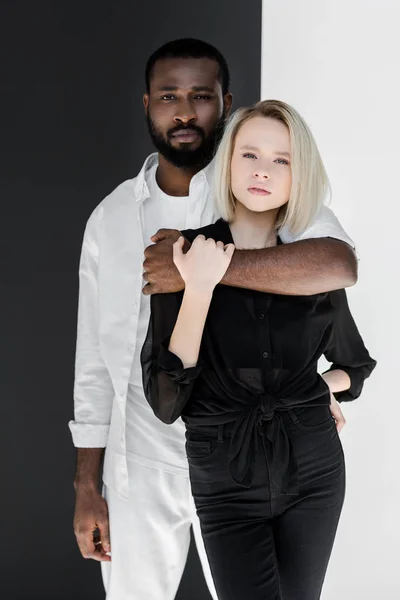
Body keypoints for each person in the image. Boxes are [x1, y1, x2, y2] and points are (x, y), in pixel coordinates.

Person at [70, 38, 358, 600]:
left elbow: (336, 262)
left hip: (251, 459)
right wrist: (87, 483)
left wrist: (202, 267)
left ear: (226, 105)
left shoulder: (259, 192)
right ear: (146, 104)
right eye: (168, 97)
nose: (183, 112)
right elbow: (94, 362)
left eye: (201, 97)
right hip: (141, 464)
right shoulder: (109, 218)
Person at [142, 99, 376, 600]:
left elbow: (354, 367)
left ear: (299, 175)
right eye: (249, 155)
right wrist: (199, 287)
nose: (263, 172)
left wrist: (316, 389)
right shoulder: (178, 254)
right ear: (227, 162)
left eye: (281, 160)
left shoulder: (312, 265)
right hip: (225, 475)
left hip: (314, 467)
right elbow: (166, 401)